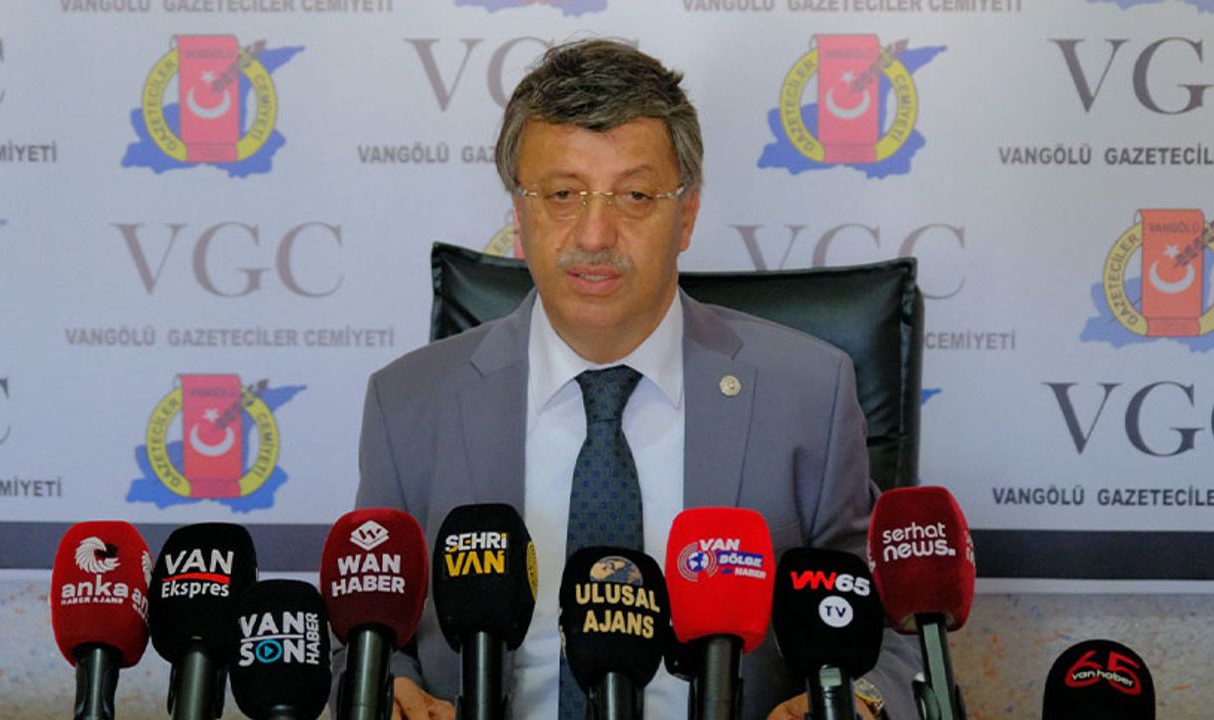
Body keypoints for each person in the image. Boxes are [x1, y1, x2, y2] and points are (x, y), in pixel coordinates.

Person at [357, 39, 919, 719]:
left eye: (635, 195)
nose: (595, 234)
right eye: (562, 194)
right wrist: (383, 689)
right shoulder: (408, 401)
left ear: (686, 214)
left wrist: (853, 702)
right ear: (518, 214)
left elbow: (890, 625)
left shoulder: (807, 393)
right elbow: (366, 627)